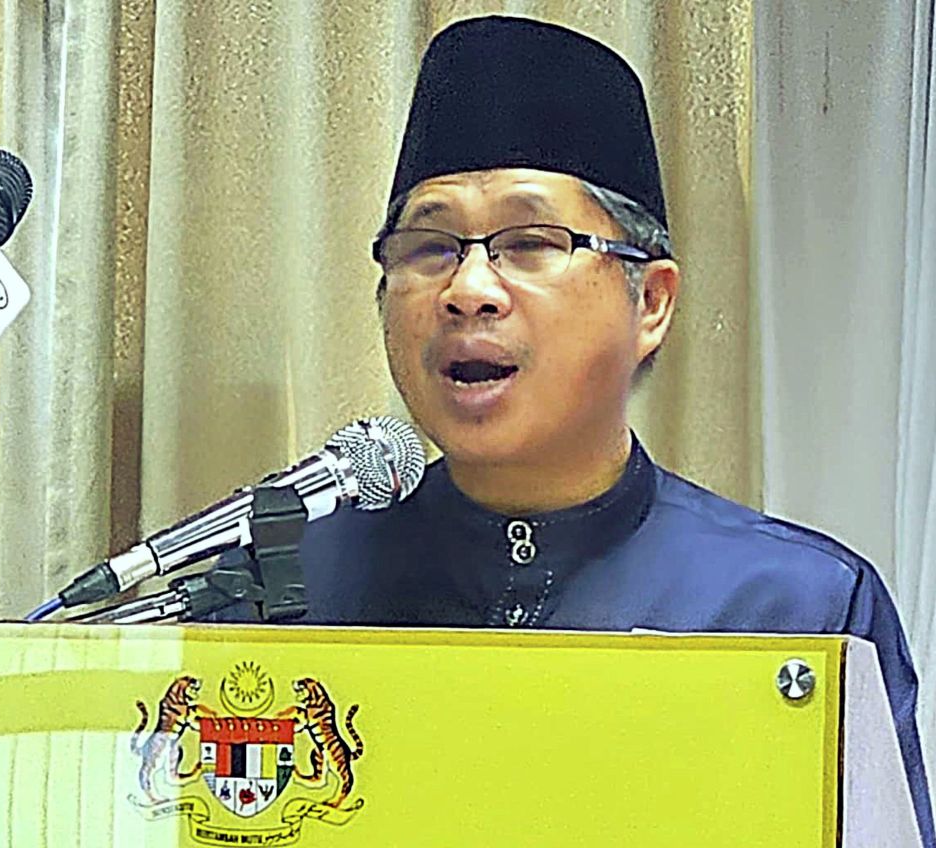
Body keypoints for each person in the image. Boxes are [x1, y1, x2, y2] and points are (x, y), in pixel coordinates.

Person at [210, 15, 933, 842]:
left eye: (529, 243)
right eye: (429, 246)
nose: (468, 290)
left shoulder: (797, 606)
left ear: (650, 302)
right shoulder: (282, 592)